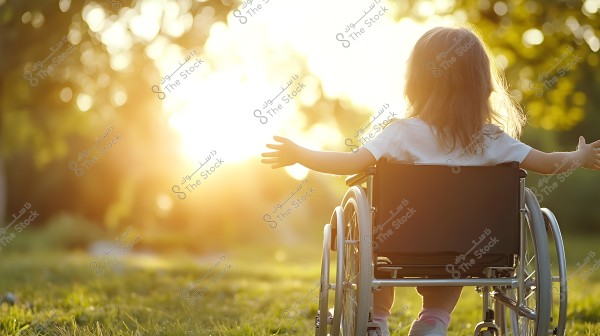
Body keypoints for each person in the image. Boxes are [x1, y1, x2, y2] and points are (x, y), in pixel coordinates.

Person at [261, 26, 600, 336]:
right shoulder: (494, 140)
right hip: (471, 249)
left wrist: (300, 154)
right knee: (459, 244)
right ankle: (434, 320)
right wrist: (579, 158)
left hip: (396, 245)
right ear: (482, 86)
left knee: (375, 246)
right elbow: (546, 164)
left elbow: (350, 163)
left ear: (416, 81)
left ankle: (376, 319)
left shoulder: (400, 134)